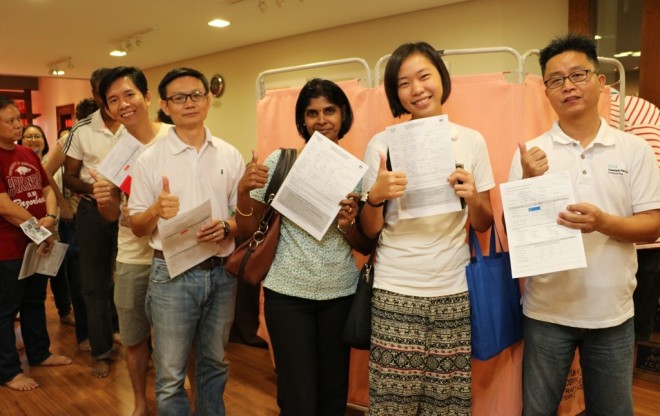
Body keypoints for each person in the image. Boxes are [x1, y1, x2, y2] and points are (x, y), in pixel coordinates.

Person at [508, 33, 660, 416]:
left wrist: (603, 222)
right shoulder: (530, 153)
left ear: (600, 82)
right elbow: (516, 236)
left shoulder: (633, 149)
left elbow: (653, 226)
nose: (568, 86)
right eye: (556, 80)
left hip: (612, 313)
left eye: (578, 75)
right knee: (537, 411)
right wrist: (527, 182)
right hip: (546, 312)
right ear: (546, 91)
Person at [360, 42, 495, 415]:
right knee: (392, 403)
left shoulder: (471, 140)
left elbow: (484, 222)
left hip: (453, 288)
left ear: (441, 78)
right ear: (395, 93)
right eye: (404, 83)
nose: (417, 89)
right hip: (395, 289)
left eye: (424, 76)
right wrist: (375, 197)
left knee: (446, 404)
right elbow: (369, 231)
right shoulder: (381, 144)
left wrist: (472, 197)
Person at [236, 78, 369, 415]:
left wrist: (349, 223)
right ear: (302, 120)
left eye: (329, 110)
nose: (321, 119)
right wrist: (242, 193)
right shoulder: (281, 161)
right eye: (312, 113)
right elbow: (249, 231)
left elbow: (365, 244)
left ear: (343, 116)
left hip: (339, 294)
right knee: (297, 397)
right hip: (287, 294)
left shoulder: (356, 172)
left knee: (333, 394)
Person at [128, 67, 244, 416]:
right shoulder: (150, 159)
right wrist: (155, 210)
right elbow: (135, 225)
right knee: (170, 375)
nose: (189, 103)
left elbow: (245, 218)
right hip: (172, 276)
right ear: (165, 106)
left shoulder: (229, 153)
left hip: (221, 273)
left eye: (196, 95)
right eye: (179, 98)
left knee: (214, 365)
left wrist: (228, 226)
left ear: (208, 99)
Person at [90, 66, 169, 416]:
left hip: (173, 254)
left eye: (129, 94)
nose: (123, 104)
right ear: (107, 110)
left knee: (176, 341)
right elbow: (111, 217)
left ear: (147, 97)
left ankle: (180, 401)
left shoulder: (174, 137)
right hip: (133, 257)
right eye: (113, 100)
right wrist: (105, 200)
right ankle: (139, 403)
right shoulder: (116, 154)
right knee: (135, 339)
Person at [0, 96, 72, 392]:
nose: (18, 125)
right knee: (6, 310)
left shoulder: (26, 153)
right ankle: (8, 371)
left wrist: (52, 216)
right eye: (10, 121)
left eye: (18, 119)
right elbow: (4, 206)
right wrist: (36, 226)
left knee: (34, 301)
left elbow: (46, 187)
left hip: (37, 242)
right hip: (8, 249)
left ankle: (39, 353)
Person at [62, 68, 124, 377]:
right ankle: (101, 351)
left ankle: (143, 347)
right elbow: (70, 177)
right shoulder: (82, 129)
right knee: (95, 282)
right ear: (95, 95)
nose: (114, 100)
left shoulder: (135, 125)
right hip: (92, 211)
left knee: (134, 279)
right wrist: (95, 189)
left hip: (134, 208)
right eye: (105, 93)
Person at [19, 124, 76, 327]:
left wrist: (54, 215)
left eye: (37, 136)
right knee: (30, 278)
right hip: (28, 228)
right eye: (28, 136)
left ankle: (64, 310)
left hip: (56, 224)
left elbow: (55, 192)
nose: (33, 140)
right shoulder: (19, 162)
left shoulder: (54, 163)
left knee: (59, 272)